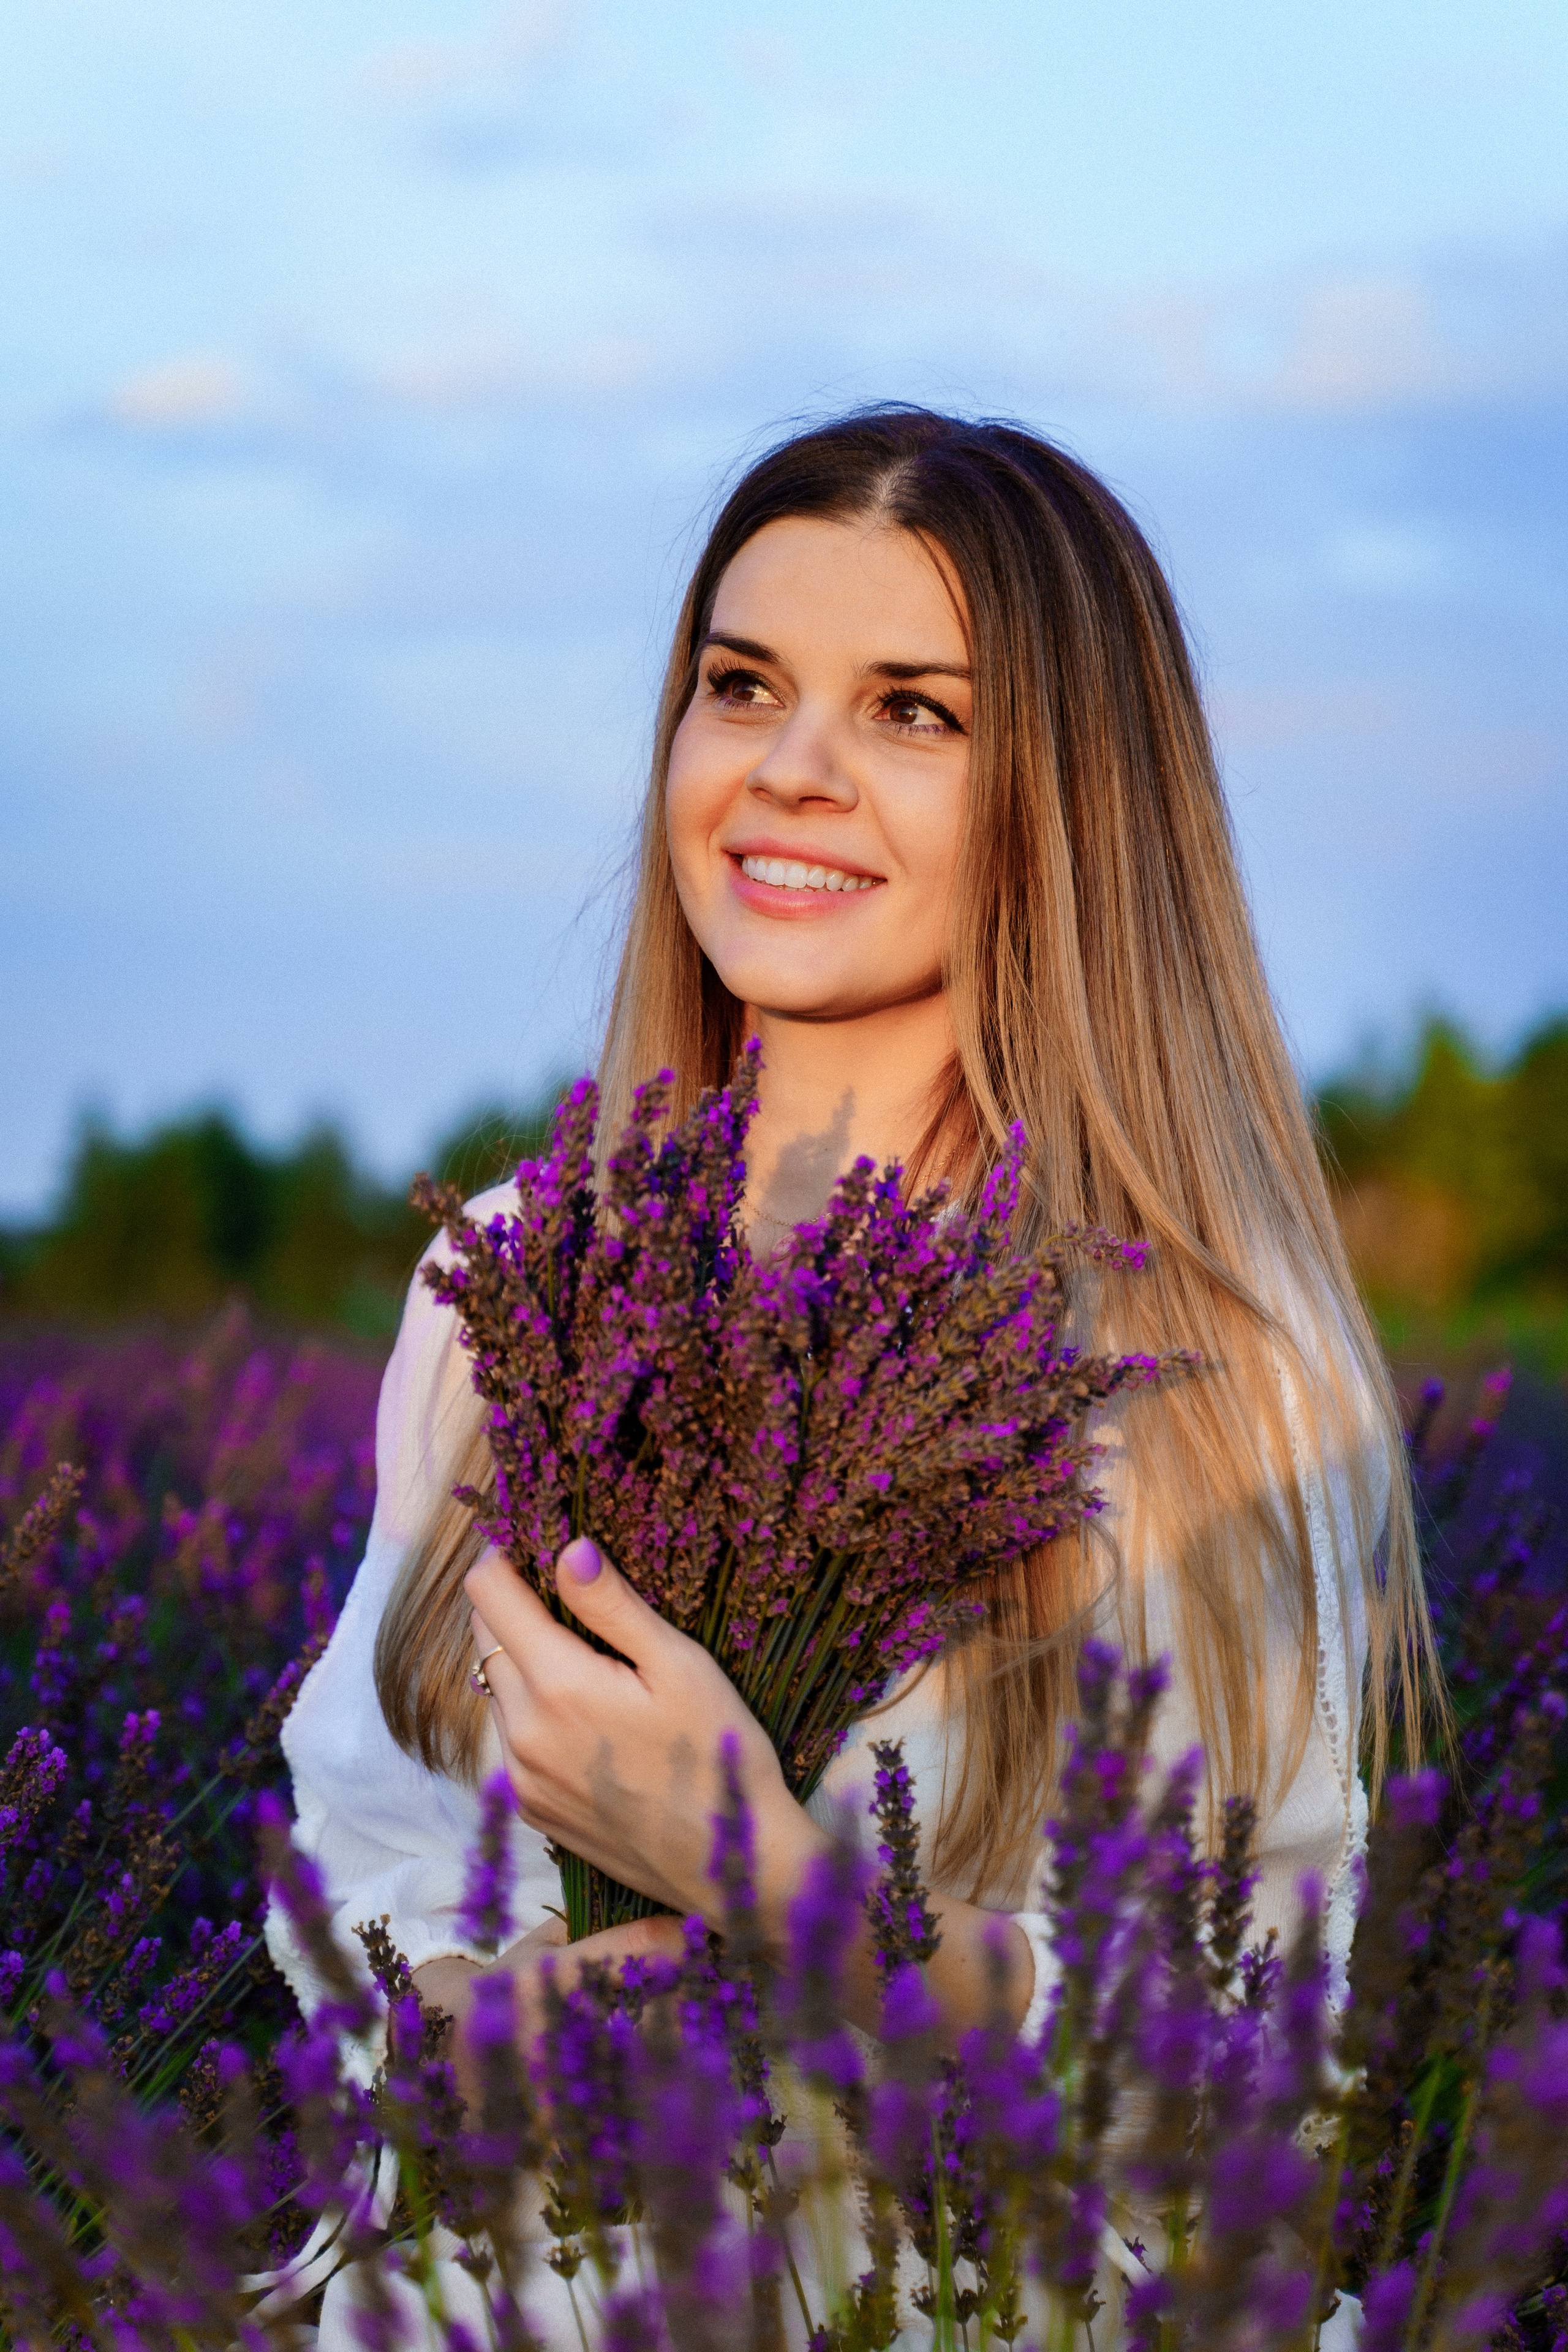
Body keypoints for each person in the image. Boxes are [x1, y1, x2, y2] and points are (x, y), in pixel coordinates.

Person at [267, 407, 1440, 2345]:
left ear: (1069, 802)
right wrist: (470, 2017)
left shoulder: (1218, 1372)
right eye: (743, 688)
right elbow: (367, 1848)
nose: (789, 772)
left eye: (914, 713)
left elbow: (1248, 2073)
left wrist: (776, 1890)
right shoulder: (509, 1277)